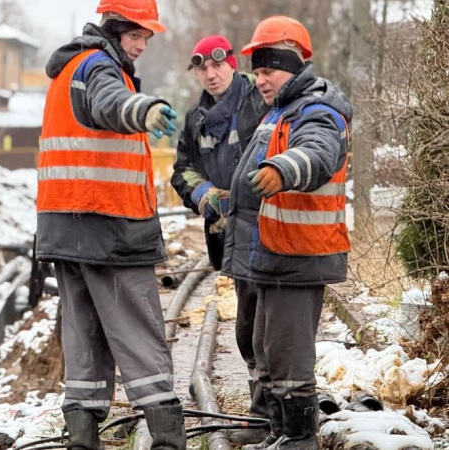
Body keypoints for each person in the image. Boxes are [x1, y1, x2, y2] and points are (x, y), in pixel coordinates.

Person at [35, 0, 185, 448]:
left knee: (83, 335)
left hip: (65, 225)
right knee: (137, 327)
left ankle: (82, 437)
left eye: (146, 37)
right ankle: (167, 437)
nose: (142, 44)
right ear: (115, 28)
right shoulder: (98, 67)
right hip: (108, 224)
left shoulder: (70, 68)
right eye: (136, 34)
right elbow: (110, 103)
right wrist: (146, 110)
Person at [221, 16, 352, 450]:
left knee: (290, 356)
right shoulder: (277, 113)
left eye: (268, 70)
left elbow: (317, 153)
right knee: (264, 346)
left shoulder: (317, 111)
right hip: (273, 255)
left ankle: (298, 439)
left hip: (299, 255)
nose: (260, 79)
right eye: (256, 72)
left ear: (293, 64)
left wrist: (283, 169)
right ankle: (274, 429)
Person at [169, 35, 269, 445]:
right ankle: (263, 414)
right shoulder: (195, 120)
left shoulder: (260, 105)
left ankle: (272, 415)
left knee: (269, 325)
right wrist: (202, 193)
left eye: (217, 66)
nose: (211, 75)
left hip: (267, 228)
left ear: (231, 64)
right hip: (229, 236)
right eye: (202, 69)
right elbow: (182, 169)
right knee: (247, 325)